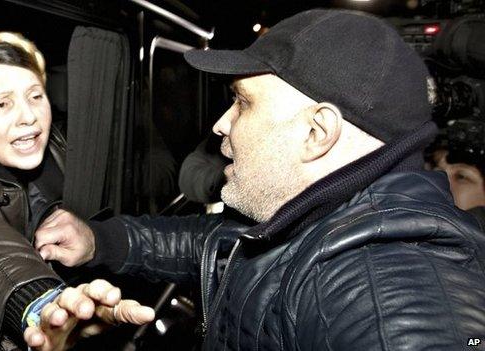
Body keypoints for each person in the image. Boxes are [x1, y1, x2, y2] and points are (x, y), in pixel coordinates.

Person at [34, 9, 485, 350]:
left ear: (317, 133)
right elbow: (220, 245)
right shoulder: (317, 216)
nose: (221, 125)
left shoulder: (381, 286)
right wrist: (98, 239)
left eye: (243, 103)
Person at [0, 32, 154, 351]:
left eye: (35, 96)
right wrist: (40, 306)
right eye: (2, 104)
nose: (29, 117)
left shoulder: (62, 147)